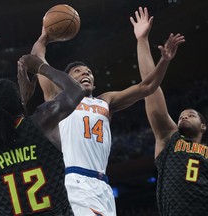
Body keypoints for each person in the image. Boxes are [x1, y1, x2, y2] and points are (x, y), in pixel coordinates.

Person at [21, 11, 185, 215]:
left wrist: (162, 58)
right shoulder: (59, 99)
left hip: (103, 186)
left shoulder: (105, 101)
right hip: (75, 181)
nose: (85, 74)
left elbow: (148, 86)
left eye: (88, 71)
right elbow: (38, 60)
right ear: (67, 81)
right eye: (78, 72)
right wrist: (44, 37)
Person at [131, 7, 208, 216]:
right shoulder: (169, 138)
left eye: (191, 114)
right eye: (181, 116)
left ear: (203, 126)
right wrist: (142, 40)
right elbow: (150, 88)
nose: (184, 116)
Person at [0, 54, 85, 215]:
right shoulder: (42, 122)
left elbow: (4, 122)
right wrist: (40, 67)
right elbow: (76, 91)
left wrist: (20, 101)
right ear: (16, 101)